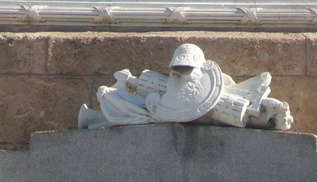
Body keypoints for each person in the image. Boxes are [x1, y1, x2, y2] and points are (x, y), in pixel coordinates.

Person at [78, 43, 292, 130]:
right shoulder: (169, 85)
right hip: (165, 109)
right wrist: (131, 81)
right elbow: (153, 91)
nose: (181, 74)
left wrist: (265, 109)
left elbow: (239, 107)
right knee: (126, 105)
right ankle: (95, 117)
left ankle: (96, 118)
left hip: (225, 111)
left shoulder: (218, 83)